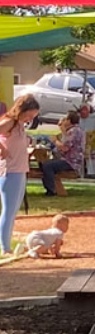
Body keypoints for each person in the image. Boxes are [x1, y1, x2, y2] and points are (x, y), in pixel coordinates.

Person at [0, 94, 40, 256]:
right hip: (10, 171)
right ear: (23, 109)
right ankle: (5, 247)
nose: (31, 118)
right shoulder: (10, 122)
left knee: (13, 210)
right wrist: (2, 149)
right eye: (30, 114)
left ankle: (7, 244)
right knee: (8, 211)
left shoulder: (21, 126)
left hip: (20, 170)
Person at [41, 110, 84, 197]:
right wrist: (63, 131)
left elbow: (64, 148)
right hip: (68, 160)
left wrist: (55, 140)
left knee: (47, 166)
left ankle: (51, 190)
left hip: (70, 162)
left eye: (65, 119)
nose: (63, 121)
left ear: (69, 121)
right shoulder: (73, 130)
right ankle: (51, 187)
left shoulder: (74, 131)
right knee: (44, 163)